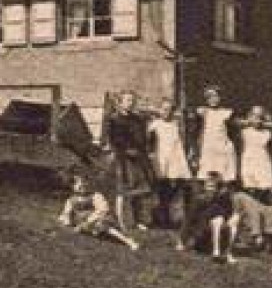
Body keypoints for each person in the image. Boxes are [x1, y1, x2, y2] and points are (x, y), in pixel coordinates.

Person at [102, 91, 156, 231]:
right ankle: (121, 221)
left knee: (139, 190)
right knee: (123, 189)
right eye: (127, 100)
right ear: (120, 102)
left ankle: (139, 220)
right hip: (122, 157)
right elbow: (112, 139)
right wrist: (124, 150)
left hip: (137, 157)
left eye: (132, 100)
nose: (130, 103)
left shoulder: (137, 119)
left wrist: (141, 151)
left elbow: (142, 138)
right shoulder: (113, 119)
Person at [58, 170, 141, 251]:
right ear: (72, 187)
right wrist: (66, 219)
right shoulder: (71, 200)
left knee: (104, 226)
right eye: (78, 186)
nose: (83, 187)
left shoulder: (95, 195)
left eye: (84, 184)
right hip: (82, 221)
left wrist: (87, 222)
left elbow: (103, 209)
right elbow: (67, 211)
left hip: (97, 218)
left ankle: (128, 241)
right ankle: (92, 232)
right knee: (65, 221)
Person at [148, 97, 194, 229]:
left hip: (176, 158)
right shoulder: (155, 124)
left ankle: (184, 217)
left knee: (181, 185)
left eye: (169, 109)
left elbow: (180, 141)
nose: (166, 112)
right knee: (163, 188)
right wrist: (152, 156)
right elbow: (150, 142)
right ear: (160, 110)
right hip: (162, 158)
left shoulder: (175, 124)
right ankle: (163, 218)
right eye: (164, 109)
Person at [178, 172, 237, 263]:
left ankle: (227, 252)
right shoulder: (199, 199)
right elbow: (189, 219)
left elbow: (229, 213)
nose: (210, 189)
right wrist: (182, 241)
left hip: (218, 230)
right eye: (208, 186)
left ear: (218, 188)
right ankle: (216, 252)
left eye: (213, 187)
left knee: (230, 219)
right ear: (204, 187)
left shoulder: (222, 199)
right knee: (218, 219)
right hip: (202, 233)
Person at [194, 86, 238, 185]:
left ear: (220, 97)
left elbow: (232, 132)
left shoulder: (226, 113)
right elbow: (197, 131)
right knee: (207, 175)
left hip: (222, 148)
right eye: (210, 97)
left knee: (224, 175)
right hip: (208, 148)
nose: (213, 99)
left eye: (215, 96)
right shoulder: (203, 112)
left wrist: (228, 145)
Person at [236, 106, 272, 203]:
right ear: (250, 117)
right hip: (249, 161)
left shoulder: (267, 133)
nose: (257, 120)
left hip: (263, 162)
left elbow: (271, 149)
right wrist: (246, 121)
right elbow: (236, 122)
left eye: (259, 117)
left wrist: (268, 120)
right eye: (254, 116)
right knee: (251, 190)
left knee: (264, 190)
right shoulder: (244, 132)